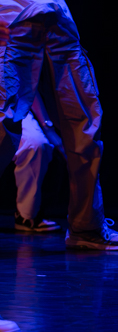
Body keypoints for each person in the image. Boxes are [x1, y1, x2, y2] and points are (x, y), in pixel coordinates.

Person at [0, 0, 118, 250]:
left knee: (86, 127)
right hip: (13, 26)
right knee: (5, 129)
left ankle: (86, 228)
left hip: (54, 14)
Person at [10, 93, 62, 232]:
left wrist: (48, 128)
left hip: (11, 103)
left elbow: (29, 86)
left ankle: (27, 215)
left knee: (35, 144)